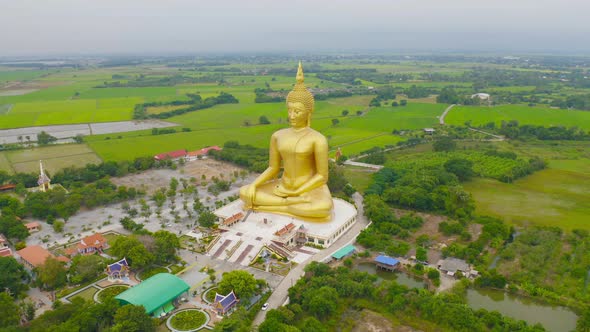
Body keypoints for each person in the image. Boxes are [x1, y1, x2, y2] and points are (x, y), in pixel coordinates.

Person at [240, 62, 333, 221]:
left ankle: (274, 205)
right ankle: (290, 207)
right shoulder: (278, 135)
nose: (292, 115)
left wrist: (298, 192)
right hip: (282, 187)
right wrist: (254, 185)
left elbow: (322, 177)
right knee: (244, 191)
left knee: (323, 208)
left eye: (297, 111)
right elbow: (273, 167)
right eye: (289, 110)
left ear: (308, 112)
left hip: (309, 189)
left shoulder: (318, 139)